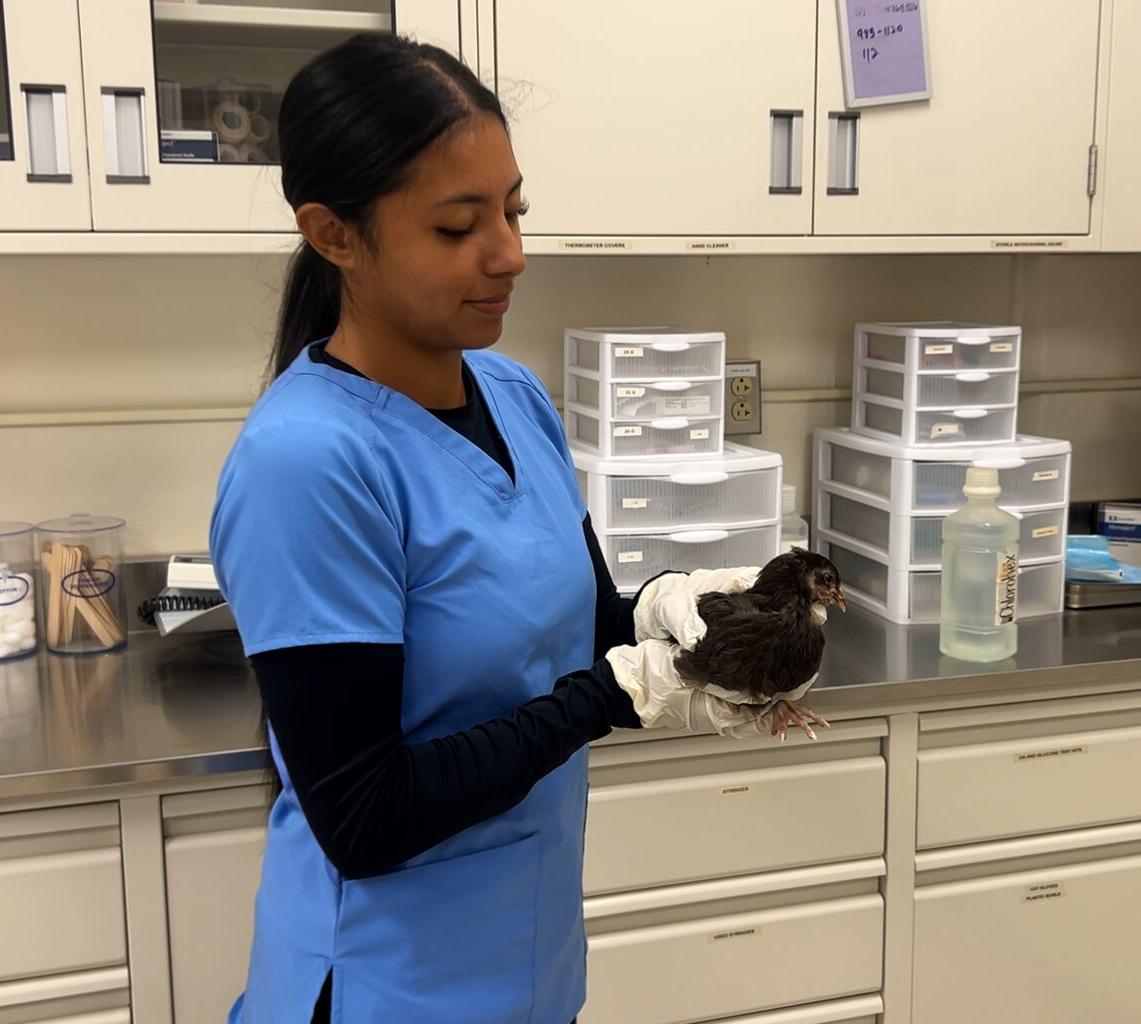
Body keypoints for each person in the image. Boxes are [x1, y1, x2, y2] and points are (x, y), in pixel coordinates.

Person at [208, 34, 818, 1024]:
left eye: (513, 209)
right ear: (333, 234)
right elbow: (364, 816)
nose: (511, 254)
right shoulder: (307, 461)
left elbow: (576, 633)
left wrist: (699, 631)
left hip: (525, 967)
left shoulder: (513, 394)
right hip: (383, 988)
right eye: (458, 227)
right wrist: (607, 698)